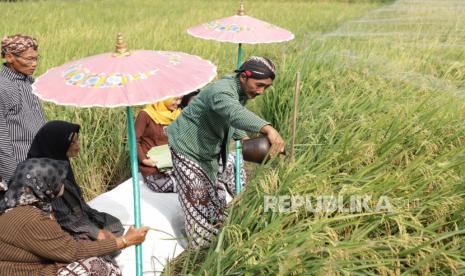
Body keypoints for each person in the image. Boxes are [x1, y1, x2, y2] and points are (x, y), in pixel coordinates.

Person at [166, 56, 286, 248]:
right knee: (197, 197)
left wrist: (244, 138)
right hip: (187, 147)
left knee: (212, 195)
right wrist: (268, 129)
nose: (261, 91)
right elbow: (233, 112)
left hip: (207, 149)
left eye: (266, 87)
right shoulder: (221, 91)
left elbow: (230, 118)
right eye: (259, 84)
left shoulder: (240, 92)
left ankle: (218, 232)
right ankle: (203, 249)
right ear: (244, 76)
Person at [0, 158, 149, 276]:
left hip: (28, 264)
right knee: (95, 266)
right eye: (58, 180)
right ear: (43, 184)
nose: (62, 184)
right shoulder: (31, 218)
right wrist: (124, 241)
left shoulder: (20, 204)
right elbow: (72, 251)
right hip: (21, 271)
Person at [27, 121, 125, 250]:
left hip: (77, 219)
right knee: (106, 249)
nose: (78, 146)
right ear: (57, 144)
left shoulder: (59, 160)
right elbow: (63, 217)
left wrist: (94, 219)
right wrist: (97, 232)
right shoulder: (44, 174)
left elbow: (78, 203)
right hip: (57, 229)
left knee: (114, 225)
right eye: (72, 142)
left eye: (77, 140)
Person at [0, 34, 45, 187]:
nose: (34, 64)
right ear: (9, 57)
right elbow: (1, 140)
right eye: (29, 59)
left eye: (36, 58)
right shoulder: (3, 87)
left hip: (39, 166)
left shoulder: (30, 82)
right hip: (19, 170)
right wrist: (14, 177)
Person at [135, 97, 181, 192]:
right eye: (175, 99)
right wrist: (144, 160)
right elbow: (134, 140)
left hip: (172, 165)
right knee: (169, 185)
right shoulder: (146, 114)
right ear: (166, 97)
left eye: (180, 99)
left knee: (195, 183)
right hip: (152, 167)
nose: (178, 103)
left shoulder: (178, 115)